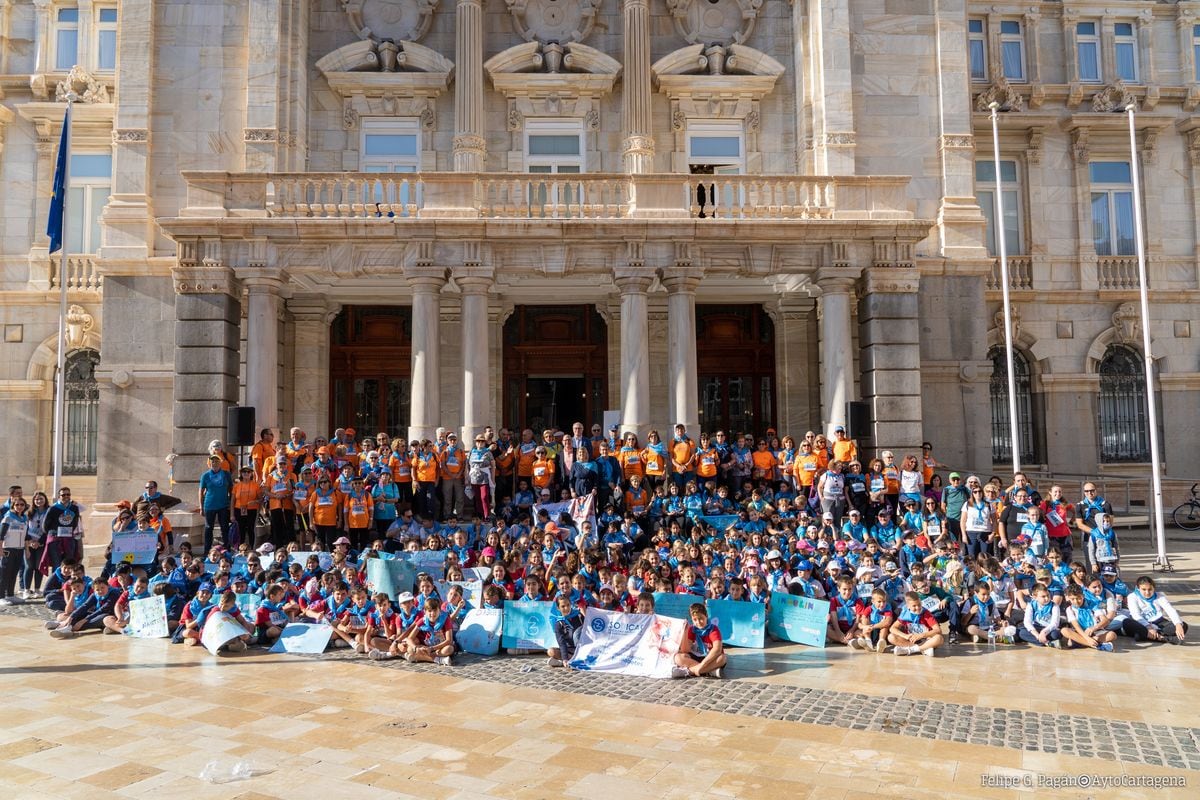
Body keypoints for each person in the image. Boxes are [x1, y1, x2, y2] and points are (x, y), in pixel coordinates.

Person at [1123, 576, 1188, 643]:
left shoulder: (1159, 596)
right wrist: (1149, 627)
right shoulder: (1132, 597)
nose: (1147, 592)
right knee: (1127, 622)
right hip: (1142, 623)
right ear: (1138, 588)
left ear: (1154, 588)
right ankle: (1164, 638)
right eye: (1144, 589)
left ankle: (1150, 635)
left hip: (1159, 623)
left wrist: (1178, 624)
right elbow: (1136, 615)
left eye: (1150, 589)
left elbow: (1170, 610)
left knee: (1183, 625)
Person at [672, 602, 727, 678]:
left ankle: (690, 671)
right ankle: (710, 671)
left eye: (701, 618)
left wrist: (702, 665)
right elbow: (686, 650)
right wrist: (685, 631)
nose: (698, 622)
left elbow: (717, 649)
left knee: (722, 658)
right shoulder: (692, 629)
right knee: (677, 657)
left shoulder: (713, 629)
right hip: (696, 657)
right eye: (695, 619)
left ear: (706, 616)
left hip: (710, 658)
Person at [888, 591, 944, 657]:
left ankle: (910, 650)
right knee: (891, 637)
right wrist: (905, 636)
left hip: (926, 640)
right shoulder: (905, 614)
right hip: (910, 641)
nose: (917, 608)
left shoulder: (926, 613)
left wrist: (921, 635)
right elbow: (892, 628)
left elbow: (938, 630)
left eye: (919, 605)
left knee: (939, 638)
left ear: (920, 601)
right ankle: (924, 649)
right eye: (914, 606)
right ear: (908, 606)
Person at [1061, 585, 1116, 652]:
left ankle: (1081, 642)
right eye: (1072, 599)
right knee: (1064, 630)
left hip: (1095, 631)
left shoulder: (1093, 605)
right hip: (1081, 632)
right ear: (1069, 598)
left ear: (1083, 596)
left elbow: (1105, 621)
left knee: (1112, 635)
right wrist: (1088, 639)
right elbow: (1076, 626)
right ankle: (1096, 645)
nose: (1076, 601)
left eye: (1079, 598)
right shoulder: (1070, 609)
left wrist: (1093, 628)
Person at [199, 455, 233, 553]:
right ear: (210, 463)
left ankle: (226, 551)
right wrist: (201, 506)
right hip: (209, 505)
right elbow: (201, 491)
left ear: (220, 462)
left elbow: (231, 490)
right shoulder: (205, 475)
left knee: (225, 528)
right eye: (212, 462)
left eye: (217, 461)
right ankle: (207, 552)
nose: (215, 463)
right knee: (209, 528)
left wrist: (231, 504)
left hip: (223, 505)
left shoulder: (226, 474)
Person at [0, 496, 30, 605]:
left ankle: (10, 595)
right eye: (17, 504)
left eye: (22, 505)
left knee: (14, 572)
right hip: (8, 549)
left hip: (19, 549)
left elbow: (26, 536)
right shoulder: (8, 517)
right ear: (13, 505)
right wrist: (0, 549)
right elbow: (1, 535)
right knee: (4, 573)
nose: (20, 507)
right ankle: (1, 596)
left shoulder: (25, 518)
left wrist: (27, 550)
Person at [548, 593, 584, 668]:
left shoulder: (579, 616)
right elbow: (561, 642)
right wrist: (565, 658)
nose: (566, 608)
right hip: (569, 650)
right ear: (558, 608)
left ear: (571, 604)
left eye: (568, 605)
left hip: (582, 647)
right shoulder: (558, 623)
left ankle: (565, 661)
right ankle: (569, 660)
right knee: (551, 651)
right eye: (563, 606)